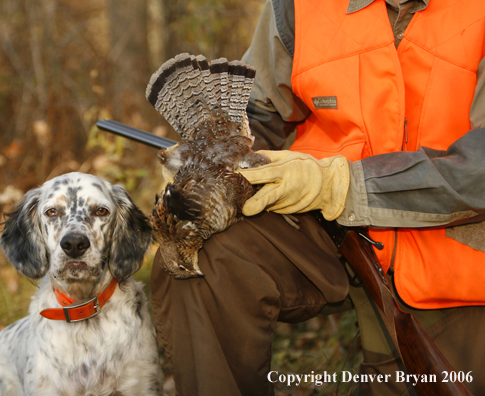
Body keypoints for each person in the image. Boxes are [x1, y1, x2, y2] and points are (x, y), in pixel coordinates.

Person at [150, 0, 485, 395]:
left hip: (454, 249)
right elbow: (255, 114)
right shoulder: (298, 6)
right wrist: (210, 154)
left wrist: (339, 184)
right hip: (321, 226)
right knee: (202, 262)